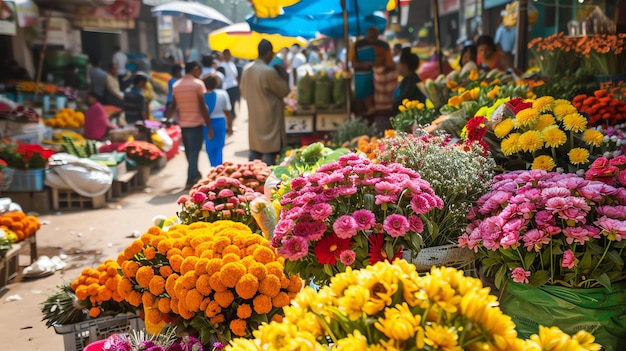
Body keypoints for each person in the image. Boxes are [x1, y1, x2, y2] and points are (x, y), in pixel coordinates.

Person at [240, 39, 290, 166]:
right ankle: (267, 181)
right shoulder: (267, 71)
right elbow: (284, 91)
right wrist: (284, 77)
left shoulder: (247, 69)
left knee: (255, 150)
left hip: (254, 116)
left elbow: (244, 92)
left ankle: (251, 177)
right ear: (268, 53)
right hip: (270, 118)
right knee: (269, 151)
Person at [165, 61, 213, 188]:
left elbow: (173, 106)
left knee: (189, 153)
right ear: (196, 69)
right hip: (196, 125)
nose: (200, 74)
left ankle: (195, 174)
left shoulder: (176, 85)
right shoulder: (197, 84)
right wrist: (209, 125)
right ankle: (190, 180)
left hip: (184, 126)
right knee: (194, 153)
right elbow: (203, 107)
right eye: (199, 71)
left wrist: (167, 118)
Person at [349, 27, 395, 115]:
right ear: (367, 35)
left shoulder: (383, 46)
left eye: (374, 37)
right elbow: (353, 63)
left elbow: (390, 64)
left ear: (378, 36)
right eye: (370, 37)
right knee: (360, 102)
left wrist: (381, 69)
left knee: (377, 106)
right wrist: (365, 64)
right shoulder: (357, 45)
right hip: (362, 79)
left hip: (379, 80)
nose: (372, 40)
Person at [202, 74, 233, 167]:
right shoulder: (223, 93)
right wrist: (230, 126)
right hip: (220, 122)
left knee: (209, 147)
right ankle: (218, 166)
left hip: (206, 123)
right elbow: (227, 112)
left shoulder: (201, 95)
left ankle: (214, 166)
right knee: (219, 147)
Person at [393, 48, 426, 113]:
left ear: (404, 65)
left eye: (399, 63)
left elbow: (398, 104)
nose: (397, 66)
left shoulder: (411, 82)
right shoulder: (410, 78)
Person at [219, 49, 240, 120]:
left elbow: (236, 76)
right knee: (228, 107)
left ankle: (231, 122)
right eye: (226, 54)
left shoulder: (232, 64)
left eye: (229, 54)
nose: (228, 56)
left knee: (233, 106)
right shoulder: (221, 65)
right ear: (224, 55)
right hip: (226, 88)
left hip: (234, 86)